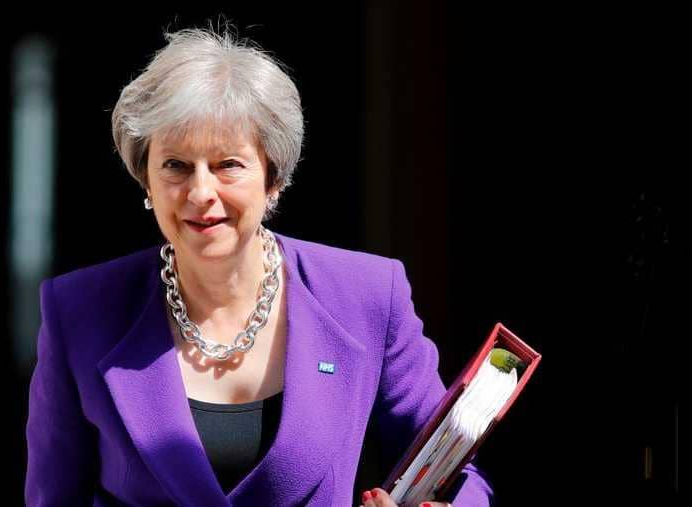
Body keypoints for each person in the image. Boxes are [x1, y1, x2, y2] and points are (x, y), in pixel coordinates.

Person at [25, 26, 493, 507]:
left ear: (273, 178)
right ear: (146, 179)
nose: (201, 192)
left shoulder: (368, 295)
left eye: (228, 164)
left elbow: (455, 474)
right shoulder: (78, 311)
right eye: (176, 165)